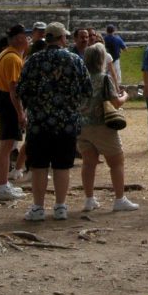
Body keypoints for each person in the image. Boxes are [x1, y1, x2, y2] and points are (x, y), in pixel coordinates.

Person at [16, 22, 91, 221]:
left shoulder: (33, 61)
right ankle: (60, 207)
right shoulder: (74, 60)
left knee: (39, 166)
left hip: (39, 123)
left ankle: (38, 208)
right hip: (66, 122)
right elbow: (87, 90)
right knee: (62, 166)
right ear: (62, 38)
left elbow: (21, 90)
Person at [79, 43, 139, 212]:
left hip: (82, 125)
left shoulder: (80, 78)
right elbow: (115, 102)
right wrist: (125, 96)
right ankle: (120, 198)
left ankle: (89, 199)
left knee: (88, 163)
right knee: (116, 162)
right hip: (101, 125)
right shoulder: (104, 78)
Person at [0, 24, 29, 203]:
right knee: (6, 146)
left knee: (5, 145)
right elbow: (13, 89)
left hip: (4, 101)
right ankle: (2, 186)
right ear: (18, 38)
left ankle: (4, 183)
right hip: (9, 103)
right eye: (25, 36)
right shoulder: (13, 59)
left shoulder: (5, 53)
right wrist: (20, 112)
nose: (28, 40)